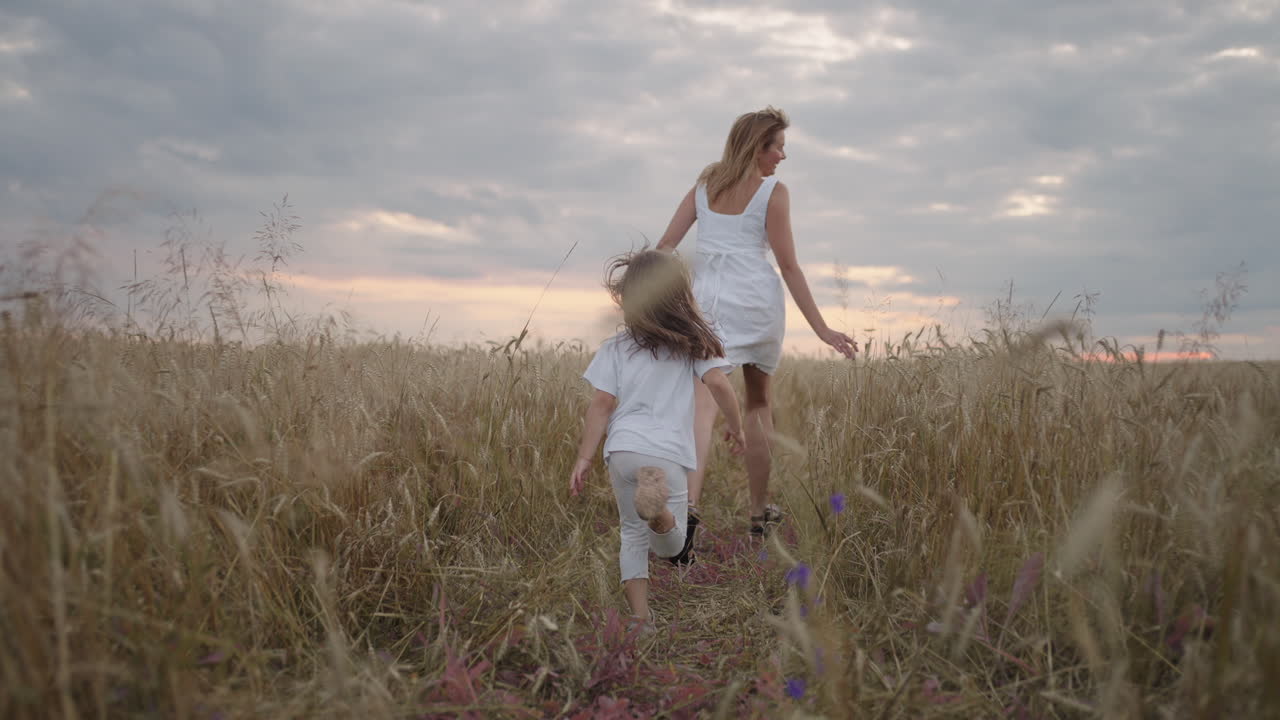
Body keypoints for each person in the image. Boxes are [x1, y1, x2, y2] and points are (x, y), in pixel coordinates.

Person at [655, 106, 856, 537]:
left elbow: (665, 248)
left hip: (709, 308)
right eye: (778, 147)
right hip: (757, 305)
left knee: (703, 406)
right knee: (759, 402)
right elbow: (789, 267)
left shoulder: (703, 189)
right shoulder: (773, 193)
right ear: (757, 147)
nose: (782, 157)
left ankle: (688, 511)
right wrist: (822, 328)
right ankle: (759, 513)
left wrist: (650, 300)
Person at [570, 249, 746, 625]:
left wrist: (584, 458)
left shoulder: (615, 347)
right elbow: (718, 382)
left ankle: (640, 620)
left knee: (631, 535)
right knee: (674, 543)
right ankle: (661, 514)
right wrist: (736, 425)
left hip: (622, 449)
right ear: (679, 294)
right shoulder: (694, 344)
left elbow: (601, 404)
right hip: (666, 452)